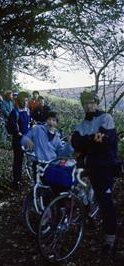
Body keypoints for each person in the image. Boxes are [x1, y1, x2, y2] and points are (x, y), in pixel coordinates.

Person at [71, 89, 118, 256]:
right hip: (87, 165)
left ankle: (110, 238)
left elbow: (104, 142)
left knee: (105, 202)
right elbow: (75, 141)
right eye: (85, 103)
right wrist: (91, 140)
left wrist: (86, 143)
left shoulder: (106, 118)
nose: (88, 106)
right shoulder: (82, 124)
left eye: (91, 102)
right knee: (75, 189)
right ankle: (89, 215)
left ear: (96, 103)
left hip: (105, 166)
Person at [21, 111, 74, 187]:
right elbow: (24, 139)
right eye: (49, 119)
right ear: (46, 120)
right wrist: (27, 141)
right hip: (38, 163)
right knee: (38, 187)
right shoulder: (38, 129)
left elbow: (62, 154)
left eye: (54, 120)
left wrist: (69, 144)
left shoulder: (57, 137)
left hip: (51, 165)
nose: (51, 122)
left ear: (56, 123)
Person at [8, 91, 30, 189]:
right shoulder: (15, 112)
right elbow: (13, 128)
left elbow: (28, 124)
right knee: (18, 160)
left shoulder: (27, 111)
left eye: (26, 100)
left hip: (26, 139)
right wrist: (19, 134)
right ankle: (16, 181)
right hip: (18, 141)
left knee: (28, 160)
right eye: (23, 101)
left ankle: (22, 179)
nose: (25, 102)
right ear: (19, 101)